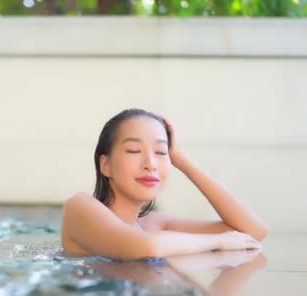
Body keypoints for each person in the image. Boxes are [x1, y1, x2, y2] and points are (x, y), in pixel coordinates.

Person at [61, 108, 267, 260]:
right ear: (105, 165)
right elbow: (142, 246)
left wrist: (181, 160)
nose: (150, 164)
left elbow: (252, 232)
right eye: (134, 150)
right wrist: (219, 241)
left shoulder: (152, 224)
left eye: (161, 152)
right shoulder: (80, 207)